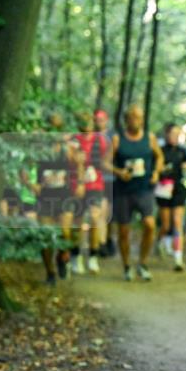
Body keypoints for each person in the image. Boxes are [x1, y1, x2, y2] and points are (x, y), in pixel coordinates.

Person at [103, 104, 164, 282]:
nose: (136, 120)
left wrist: (156, 172)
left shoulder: (149, 138)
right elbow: (104, 163)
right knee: (123, 231)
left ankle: (143, 263)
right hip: (123, 191)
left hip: (144, 189)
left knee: (150, 224)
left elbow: (159, 156)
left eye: (139, 117)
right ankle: (127, 266)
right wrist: (119, 172)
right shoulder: (117, 140)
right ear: (126, 119)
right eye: (133, 117)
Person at [31, 111, 84, 285]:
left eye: (58, 128)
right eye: (51, 128)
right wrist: (32, 184)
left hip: (64, 195)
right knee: (46, 236)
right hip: (44, 197)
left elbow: (79, 165)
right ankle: (50, 272)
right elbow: (25, 168)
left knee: (64, 232)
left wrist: (81, 184)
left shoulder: (67, 148)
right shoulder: (38, 149)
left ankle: (62, 256)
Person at [70, 111, 109, 275]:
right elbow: (73, 161)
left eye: (89, 122)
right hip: (76, 185)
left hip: (96, 184)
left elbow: (106, 160)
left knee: (94, 217)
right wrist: (79, 181)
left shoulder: (100, 140)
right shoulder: (74, 140)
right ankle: (75, 255)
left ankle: (93, 255)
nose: (87, 125)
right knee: (77, 221)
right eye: (83, 122)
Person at [155, 122, 186, 271]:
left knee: (177, 223)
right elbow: (156, 168)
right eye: (172, 134)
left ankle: (178, 258)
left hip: (178, 188)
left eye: (177, 134)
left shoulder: (182, 151)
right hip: (163, 188)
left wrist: (184, 166)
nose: (175, 137)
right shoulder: (160, 150)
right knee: (166, 225)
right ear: (166, 134)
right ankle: (160, 241)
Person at [93, 108, 116, 257]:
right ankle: (101, 244)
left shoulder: (113, 136)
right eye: (96, 120)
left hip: (111, 179)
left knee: (109, 214)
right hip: (96, 180)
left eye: (101, 119)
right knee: (100, 212)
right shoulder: (90, 136)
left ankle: (107, 239)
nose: (98, 122)